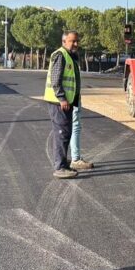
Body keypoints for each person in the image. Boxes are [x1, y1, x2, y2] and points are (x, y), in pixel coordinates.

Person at [44, 30, 84, 178]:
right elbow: (56, 80)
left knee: (66, 133)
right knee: (61, 134)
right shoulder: (60, 55)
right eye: (72, 41)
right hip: (58, 103)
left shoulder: (70, 56)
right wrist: (62, 98)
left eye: (76, 41)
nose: (75, 44)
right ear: (64, 41)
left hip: (65, 103)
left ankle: (63, 163)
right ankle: (60, 167)